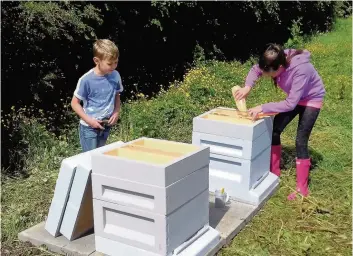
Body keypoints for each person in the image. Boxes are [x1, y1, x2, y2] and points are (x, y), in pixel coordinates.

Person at [234, 43, 325, 200]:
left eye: (270, 73)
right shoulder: (275, 58)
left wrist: (262, 107)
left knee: (300, 141)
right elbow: (256, 69)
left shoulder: (301, 69)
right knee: (275, 129)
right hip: (295, 97)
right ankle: (274, 172)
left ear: (281, 67)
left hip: (311, 98)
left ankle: (302, 189)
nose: (267, 75)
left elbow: (290, 103)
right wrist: (247, 87)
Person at [71, 39, 123, 152]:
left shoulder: (115, 75)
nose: (114, 66)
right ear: (96, 60)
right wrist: (90, 121)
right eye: (110, 63)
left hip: (106, 125)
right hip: (89, 127)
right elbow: (74, 103)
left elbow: (117, 95)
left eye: (116, 62)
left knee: (100, 156)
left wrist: (116, 111)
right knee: (90, 160)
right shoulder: (86, 80)